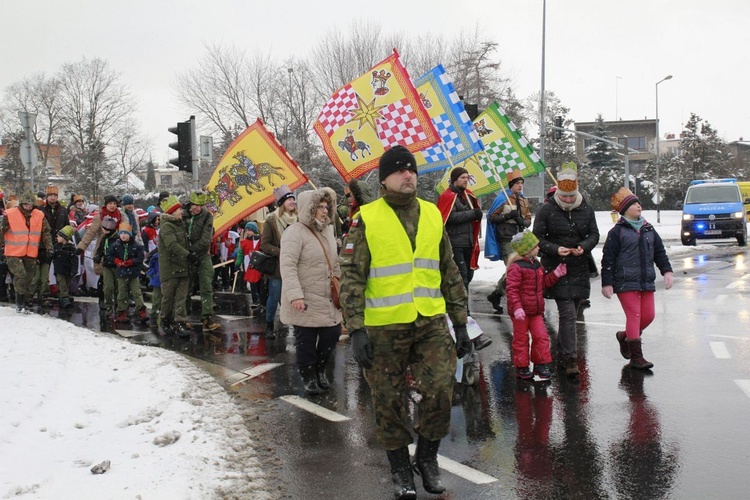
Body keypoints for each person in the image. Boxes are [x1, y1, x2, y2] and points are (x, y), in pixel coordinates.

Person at [340, 145, 471, 499]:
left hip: (429, 322)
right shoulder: (367, 217)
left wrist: (460, 323)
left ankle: (426, 457)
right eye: (399, 170)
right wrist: (355, 329)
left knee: (442, 388)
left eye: (410, 169)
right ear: (384, 179)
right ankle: (400, 467)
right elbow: (352, 276)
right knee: (388, 399)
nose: (408, 175)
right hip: (383, 327)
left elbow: (449, 271)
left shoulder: (431, 214)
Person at [532, 163, 599, 377]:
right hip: (556, 268)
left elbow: (594, 234)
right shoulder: (546, 210)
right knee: (568, 313)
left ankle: (561, 351)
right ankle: (571, 359)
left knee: (575, 308)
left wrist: (584, 247)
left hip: (579, 266)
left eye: (571, 196)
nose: (568, 200)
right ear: (558, 194)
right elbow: (537, 239)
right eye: (564, 197)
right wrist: (555, 249)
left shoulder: (586, 209)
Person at [601, 187, 673, 370]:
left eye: (639, 202)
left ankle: (624, 336)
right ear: (625, 209)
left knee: (648, 316)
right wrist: (607, 283)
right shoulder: (617, 232)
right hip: (625, 281)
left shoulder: (649, 229)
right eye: (634, 204)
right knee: (634, 315)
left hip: (646, 280)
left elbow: (659, 252)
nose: (638, 206)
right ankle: (636, 357)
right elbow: (608, 259)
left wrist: (667, 271)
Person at [280, 187, 342, 395]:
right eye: (320, 207)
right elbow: (287, 266)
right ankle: (308, 376)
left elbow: (334, 262)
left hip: (327, 297)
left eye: (327, 207)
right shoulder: (294, 233)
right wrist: (295, 295)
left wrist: (341, 283)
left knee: (331, 335)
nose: (325, 211)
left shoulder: (328, 230)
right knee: (306, 341)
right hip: (304, 296)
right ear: (309, 209)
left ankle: (320, 370)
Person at [437, 166, 492, 350]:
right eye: (462, 177)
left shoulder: (466, 195)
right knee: (461, 282)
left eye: (467, 177)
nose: (465, 180)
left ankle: (462, 315)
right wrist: (472, 214)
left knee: (467, 277)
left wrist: (475, 211)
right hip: (455, 244)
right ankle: (464, 317)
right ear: (454, 179)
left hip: (468, 243)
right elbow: (449, 218)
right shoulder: (447, 197)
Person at [506, 231, 566, 381]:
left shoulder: (536, 265)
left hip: (536, 311)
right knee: (521, 339)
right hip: (521, 312)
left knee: (541, 337)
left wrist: (556, 274)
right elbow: (512, 290)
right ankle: (522, 366)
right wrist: (517, 307)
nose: (538, 248)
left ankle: (540, 364)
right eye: (535, 246)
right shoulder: (516, 267)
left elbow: (543, 283)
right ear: (528, 249)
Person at [486, 170, 532, 314]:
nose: (520, 186)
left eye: (521, 183)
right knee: (514, 268)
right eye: (517, 183)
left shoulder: (524, 200)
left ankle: (497, 294)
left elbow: (528, 220)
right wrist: (507, 216)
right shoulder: (503, 198)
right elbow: (492, 217)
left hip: (521, 237)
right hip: (506, 237)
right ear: (511, 185)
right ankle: (516, 302)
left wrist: (522, 221)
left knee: (526, 267)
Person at [0, 191, 53, 313]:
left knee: (29, 278)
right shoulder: (10, 215)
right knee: (21, 275)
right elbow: (1, 232)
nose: (28, 207)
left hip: (30, 252)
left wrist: (49, 247)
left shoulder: (39, 215)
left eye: (30, 205)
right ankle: (20, 302)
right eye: (26, 204)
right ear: (21, 204)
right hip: (13, 253)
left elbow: (46, 233)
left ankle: (25, 301)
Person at [261, 184, 298, 338]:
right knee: (275, 296)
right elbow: (265, 244)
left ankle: (298, 327)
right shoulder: (271, 220)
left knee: (295, 296)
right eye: (289, 199)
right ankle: (269, 325)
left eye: (293, 200)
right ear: (282, 202)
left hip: (295, 265)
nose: (293, 202)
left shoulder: (299, 219)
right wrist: (281, 252)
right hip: (277, 267)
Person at [184, 190, 220, 332]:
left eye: (200, 205)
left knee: (206, 286)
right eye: (194, 205)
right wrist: (187, 252)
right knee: (186, 287)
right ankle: (184, 317)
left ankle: (207, 317)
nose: (197, 208)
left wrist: (193, 250)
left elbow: (206, 239)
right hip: (186, 255)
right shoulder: (183, 215)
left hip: (202, 255)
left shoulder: (207, 217)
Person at [158, 195, 191, 338]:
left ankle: (180, 322)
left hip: (182, 266)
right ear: (172, 212)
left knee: (181, 297)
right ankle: (165, 319)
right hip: (170, 268)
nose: (181, 212)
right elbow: (172, 245)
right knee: (168, 297)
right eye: (179, 209)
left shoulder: (181, 224)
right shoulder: (166, 227)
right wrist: (188, 255)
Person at [33, 185, 70, 302]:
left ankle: (60, 292)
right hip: (44, 243)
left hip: (59, 242)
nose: (53, 198)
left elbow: (67, 226)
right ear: (47, 197)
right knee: (44, 269)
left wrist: (64, 238)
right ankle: (43, 292)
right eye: (51, 196)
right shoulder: (40, 210)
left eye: (55, 196)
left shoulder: (63, 210)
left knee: (59, 269)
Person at [107, 222, 147, 324]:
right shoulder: (115, 245)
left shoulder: (136, 246)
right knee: (122, 293)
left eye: (125, 233)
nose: (123, 236)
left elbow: (140, 257)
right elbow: (109, 255)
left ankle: (141, 310)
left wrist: (131, 262)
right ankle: (121, 312)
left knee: (136, 292)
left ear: (129, 234)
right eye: (121, 233)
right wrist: (116, 261)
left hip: (133, 272)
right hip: (121, 272)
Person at [93, 216, 121, 321]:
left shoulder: (118, 239)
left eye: (104, 229)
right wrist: (98, 257)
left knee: (118, 288)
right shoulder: (104, 239)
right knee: (108, 287)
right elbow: (100, 250)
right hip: (107, 266)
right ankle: (109, 306)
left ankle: (119, 307)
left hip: (118, 266)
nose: (102, 230)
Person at [235, 221, 263, 306]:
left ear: (254, 230)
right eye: (246, 230)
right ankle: (255, 300)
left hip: (259, 266)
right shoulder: (244, 242)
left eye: (249, 230)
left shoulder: (260, 240)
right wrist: (237, 264)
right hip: (249, 266)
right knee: (252, 284)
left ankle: (261, 300)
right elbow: (240, 254)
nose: (247, 232)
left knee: (260, 284)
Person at [52, 225, 79, 308]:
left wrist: (74, 270)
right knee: (62, 284)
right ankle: (64, 297)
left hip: (68, 270)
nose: (57, 238)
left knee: (66, 284)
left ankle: (63, 296)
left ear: (65, 238)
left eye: (59, 236)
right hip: (59, 270)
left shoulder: (71, 248)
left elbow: (75, 260)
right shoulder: (56, 247)